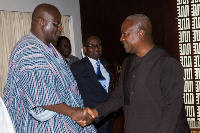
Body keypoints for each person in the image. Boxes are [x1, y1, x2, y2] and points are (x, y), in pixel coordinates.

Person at [85, 14, 191, 133]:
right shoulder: (128, 63)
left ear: (140, 34)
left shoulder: (167, 63)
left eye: (125, 34)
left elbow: (171, 113)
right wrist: (96, 112)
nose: (121, 38)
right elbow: (120, 96)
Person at [3, 3, 96, 133]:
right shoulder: (29, 49)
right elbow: (41, 95)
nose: (60, 28)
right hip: (40, 127)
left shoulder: (49, 49)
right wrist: (73, 112)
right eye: (56, 24)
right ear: (41, 22)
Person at [70, 35, 114, 133]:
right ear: (85, 49)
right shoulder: (78, 66)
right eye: (92, 46)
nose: (96, 48)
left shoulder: (105, 63)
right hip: (90, 117)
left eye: (99, 45)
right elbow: (71, 89)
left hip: (107, 114)